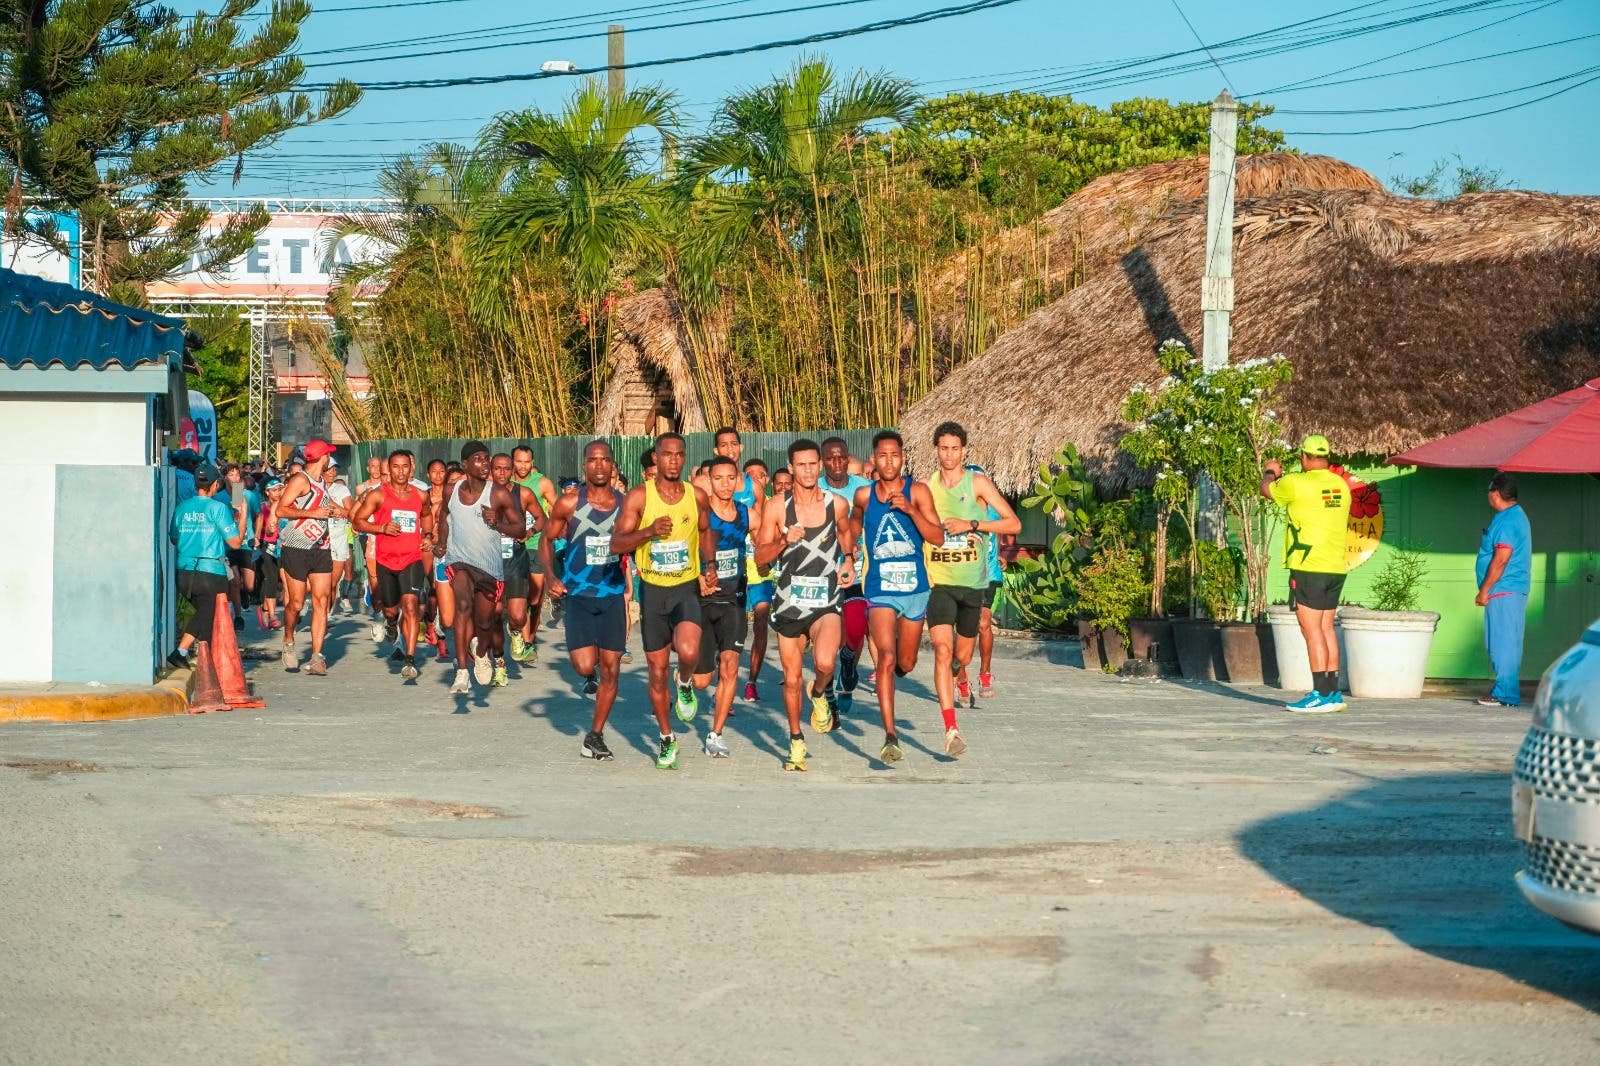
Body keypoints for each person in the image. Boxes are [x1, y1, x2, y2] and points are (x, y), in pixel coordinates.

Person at [610, 432, 716, 770]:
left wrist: (710, 565)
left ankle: (684, 683)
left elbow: (704, 532)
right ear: (656, 457)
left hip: (685, 587)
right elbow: (616, 543)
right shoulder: (640, 497)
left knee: (688, 652)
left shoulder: (697, 495)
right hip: (653, 592)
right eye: (666, 454)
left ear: (684, 458)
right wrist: (648, 531)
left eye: (678, 454)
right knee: (656, 672)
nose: (672, 460)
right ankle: (667, 738)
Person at [755, 438, 856, 772]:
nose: (809, 470)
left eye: (814, 463)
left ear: (821, 465)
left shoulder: (837, 504)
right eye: (802, 464)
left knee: (825, 663)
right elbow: (760, 561)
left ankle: (820, 693)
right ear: (791, 467)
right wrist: (785, 540)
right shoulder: (776, 508)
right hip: (788, 603)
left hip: (826, 599)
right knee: (791, 678)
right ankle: (796, 739)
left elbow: (845, 533)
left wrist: (850, 560)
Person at [923, 422, 1020, 756]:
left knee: (961, 656)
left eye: (955, 448)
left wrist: (973, 524)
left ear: (964, 450)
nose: (949, 455)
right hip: (939, 584)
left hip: (973, 586)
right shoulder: (926, 487)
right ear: (935, 449)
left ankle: (957, 673)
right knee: (941, 648)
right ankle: (951, 728)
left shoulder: (978, 483)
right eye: (943, 448)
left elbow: (1014, 523)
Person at [853, 430, 946, 763]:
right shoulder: (864, 496)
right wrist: (848, 546)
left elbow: (937, 537)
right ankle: (890, 735)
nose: (888, 461)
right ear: (874, 460)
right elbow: (853, 523)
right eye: (882, 455)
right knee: (886, 659)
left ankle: (899, 673)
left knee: (905, 662)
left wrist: (910, 511)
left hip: (915, 591)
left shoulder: (918, 491)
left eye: (894, 455)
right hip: (880, 590)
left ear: (903, 457)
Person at [543, 441, 629, 761]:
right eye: (592, 460)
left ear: (612, 467)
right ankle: (588, 680)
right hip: (578, 596)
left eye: (604, 460)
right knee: (583, 666)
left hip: (611, 596)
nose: (598, 465)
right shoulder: (568, 503)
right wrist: (551, 576)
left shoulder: (626, 504)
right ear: (585, 467)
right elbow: (546, 541)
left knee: (611, 671)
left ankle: (595, 735)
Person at [1261, 433, 1352, 713]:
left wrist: (1270, 472)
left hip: (1308, 566)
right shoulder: (1341, 485)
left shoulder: (1295, 482)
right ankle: (1332, 693)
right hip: (1336, 566)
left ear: (1303, 457)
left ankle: (1319, 694)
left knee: (1311, 630)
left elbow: (1266, 491)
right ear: (1327, 457)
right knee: (1326, 629)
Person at [433, 441, 525, 694]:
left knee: (485, 622)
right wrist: (441, 542)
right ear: (465, 464)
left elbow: (520, 530)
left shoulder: (499, 494)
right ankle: (462, 671)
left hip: (489, 569)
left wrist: (498, 524)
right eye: (478, 459)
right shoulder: (451, 490)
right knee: (462, 605)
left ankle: (481, 651)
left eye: (487, 459)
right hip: (459, 560)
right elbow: (444, 515)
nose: (485, 464)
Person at [352, 450, 428, 681]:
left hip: (412, 558)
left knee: (412, 606)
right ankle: (391, 623)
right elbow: (358, 521)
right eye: (396, 466)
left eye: (405, 466)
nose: (401, 471)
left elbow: (427, 515)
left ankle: (410, 660)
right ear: (389, 470)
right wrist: (381, 528)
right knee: (391, 609)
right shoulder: (377, 495)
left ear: (411, 469)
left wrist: (429, 534)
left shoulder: (420, 495)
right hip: (386, 560)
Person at [694, 456, 751, 758]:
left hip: (734, 601)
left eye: (731, 478)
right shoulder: (699, 513)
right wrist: (697, 577)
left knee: (730, 666)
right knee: (703, 681)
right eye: (718, 478)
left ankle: (715, 735)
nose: (725, 484)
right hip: (702, 601)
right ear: (709, 480)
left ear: (738, 479)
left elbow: (769, 537)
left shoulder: (746, 513)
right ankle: (684, 680)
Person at [167, 463, 244, 669]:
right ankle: (186, 654)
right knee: (208, 614)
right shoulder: (217, 508)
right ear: (216, 484)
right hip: (210, 572)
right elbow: (235, 543)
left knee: (203, 615)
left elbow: (174, 538)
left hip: (184, 572)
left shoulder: (182, 507)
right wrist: (242, 514)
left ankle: (199, 658)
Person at [275, 439, 342, 676]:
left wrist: (346, 512)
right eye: (328, 457)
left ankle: (316, 657)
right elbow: (281, 509)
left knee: (322, 600)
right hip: (296, 547)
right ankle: (289, 639)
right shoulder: (300, 480)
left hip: (321, 547)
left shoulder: (323, 482)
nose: (329, 461)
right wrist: (311, 513)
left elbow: (328, 504)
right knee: (295, 602)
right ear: (322, 457)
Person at [820, 437, 875, 711]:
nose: (837, 462)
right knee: (825, 637)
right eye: (831, 458)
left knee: (855, 629)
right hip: (821, 573)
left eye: (842, 457)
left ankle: (849, 665)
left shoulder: (864, 489)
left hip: (858, 571)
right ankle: (829, 686)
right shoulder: (813, 489)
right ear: (822, 462)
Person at [1475, 471, 1532, 708]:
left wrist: (1484, 589)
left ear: (1495, 494)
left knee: (1503, 643)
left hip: (1503, 589)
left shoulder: (1509, 520)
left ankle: (1505, 694)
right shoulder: (1513, 516)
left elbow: (1501, 558)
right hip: (1507, 590)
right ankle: (1503, 690)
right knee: (1502, 642)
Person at [495, 452, 547, 672]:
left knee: (518, 613)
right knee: (494, 613)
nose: (502, 473)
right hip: (491, 559)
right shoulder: (483, 493)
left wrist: (530, 531)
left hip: (516, 557)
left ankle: (517, 631)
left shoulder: (523, 493)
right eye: (497, 468)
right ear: (491, 469)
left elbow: (542, 517)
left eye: (506, 469)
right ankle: (498, 663)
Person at [511, 444, 558, 664]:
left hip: (538, 544)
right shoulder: (504, 483)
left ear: (532, 462)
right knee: (520, 594)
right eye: (518, 461)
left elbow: (558, 509)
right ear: (513, 461)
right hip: (512, 547)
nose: (522, 465)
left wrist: (555, 531)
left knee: (536, 597)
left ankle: (531, 635)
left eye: (526, 461)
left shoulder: (542, 483)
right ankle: (525, 641)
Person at [741, 458, 776, 703]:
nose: (754, 479)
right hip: (736, 576)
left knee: (761, 620)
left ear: (767, 481)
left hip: (762, 575)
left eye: (759, 475)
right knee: (733, 629)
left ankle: (752, 681)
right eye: (748, 475)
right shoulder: (734, 508)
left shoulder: (776, 509)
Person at [322, 458, 357, 621]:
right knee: (321, 581)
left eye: (334, 469)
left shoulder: (341, 489)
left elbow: (350, 514)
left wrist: (334, 505)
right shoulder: (313, 487)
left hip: (338, 537)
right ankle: (321, 613)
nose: (332, 472)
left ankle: (327, 613)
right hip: (319, 538)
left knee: (333, 582)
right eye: (328, 469)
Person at [356, 454, 385, 617]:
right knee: (371, 567)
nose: (376, 469)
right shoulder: (362, 487)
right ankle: (376, 601)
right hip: (366, 532)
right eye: (372, 466)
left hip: (383, 531)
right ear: (368, 469)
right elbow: (357, 508)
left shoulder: (386, 485)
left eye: (378, 466)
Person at [255, 477, 285, 630]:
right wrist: (265, 532)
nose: (278, 493)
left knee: (282, 581)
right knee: (271, 578)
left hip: (284, 546)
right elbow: (262, 527)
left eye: (280, 489)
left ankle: (264, 609)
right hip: (268, 545)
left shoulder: (287, 505)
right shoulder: (263, 507)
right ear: (267, 492)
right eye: (274, 490)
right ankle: (273, 615)